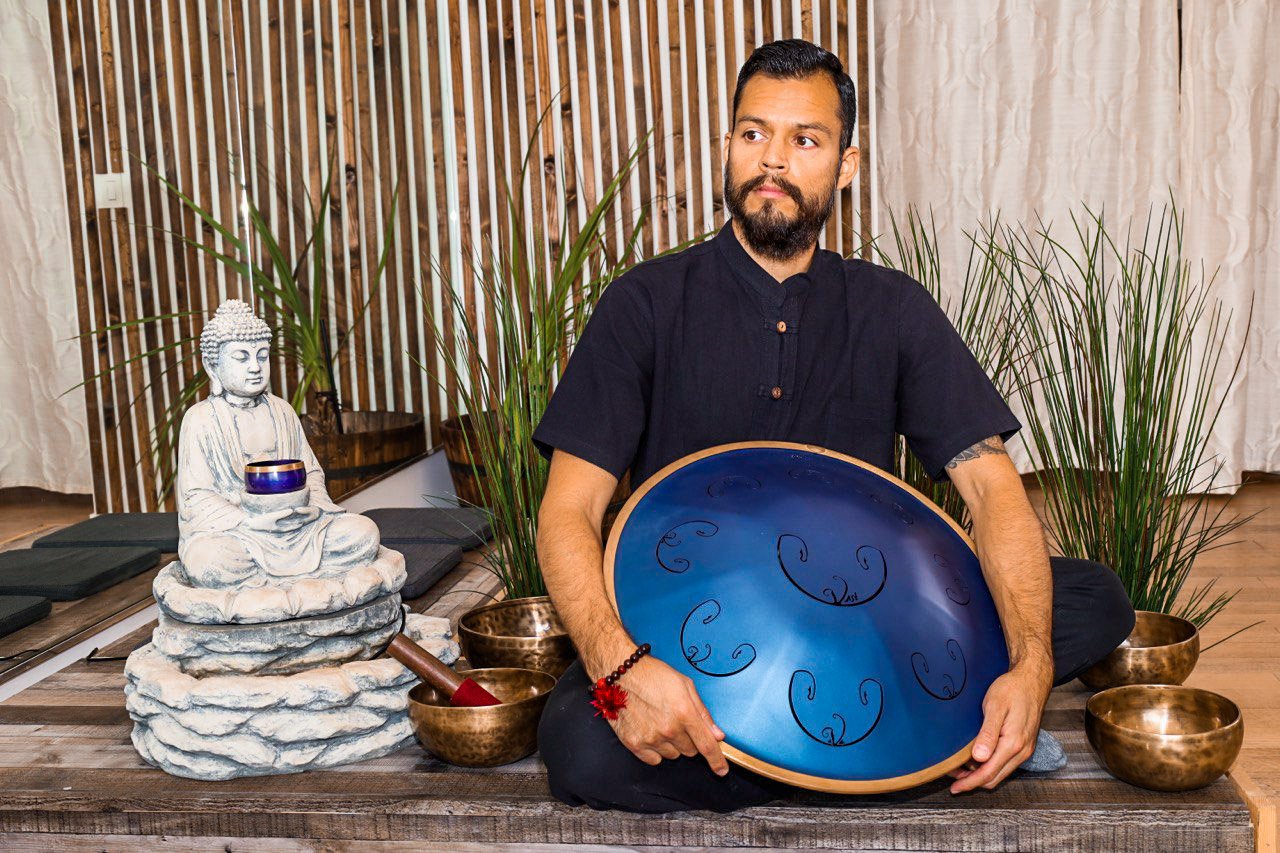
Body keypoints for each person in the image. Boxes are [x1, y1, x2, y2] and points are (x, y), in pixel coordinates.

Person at [531, 39, 1134, 813]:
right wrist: (620, 670)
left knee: (1092, 599)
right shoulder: (643, 303)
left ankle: (834, 760)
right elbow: (568, 511)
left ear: (844, 167)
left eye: (804, 140)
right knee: (580, 747)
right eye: (753, 134)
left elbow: (992, 490)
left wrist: (1029, 669)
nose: (771, 160)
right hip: (684, 637)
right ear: (727, 146)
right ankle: (911, 759)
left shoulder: (894, 307)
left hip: (870, 627)